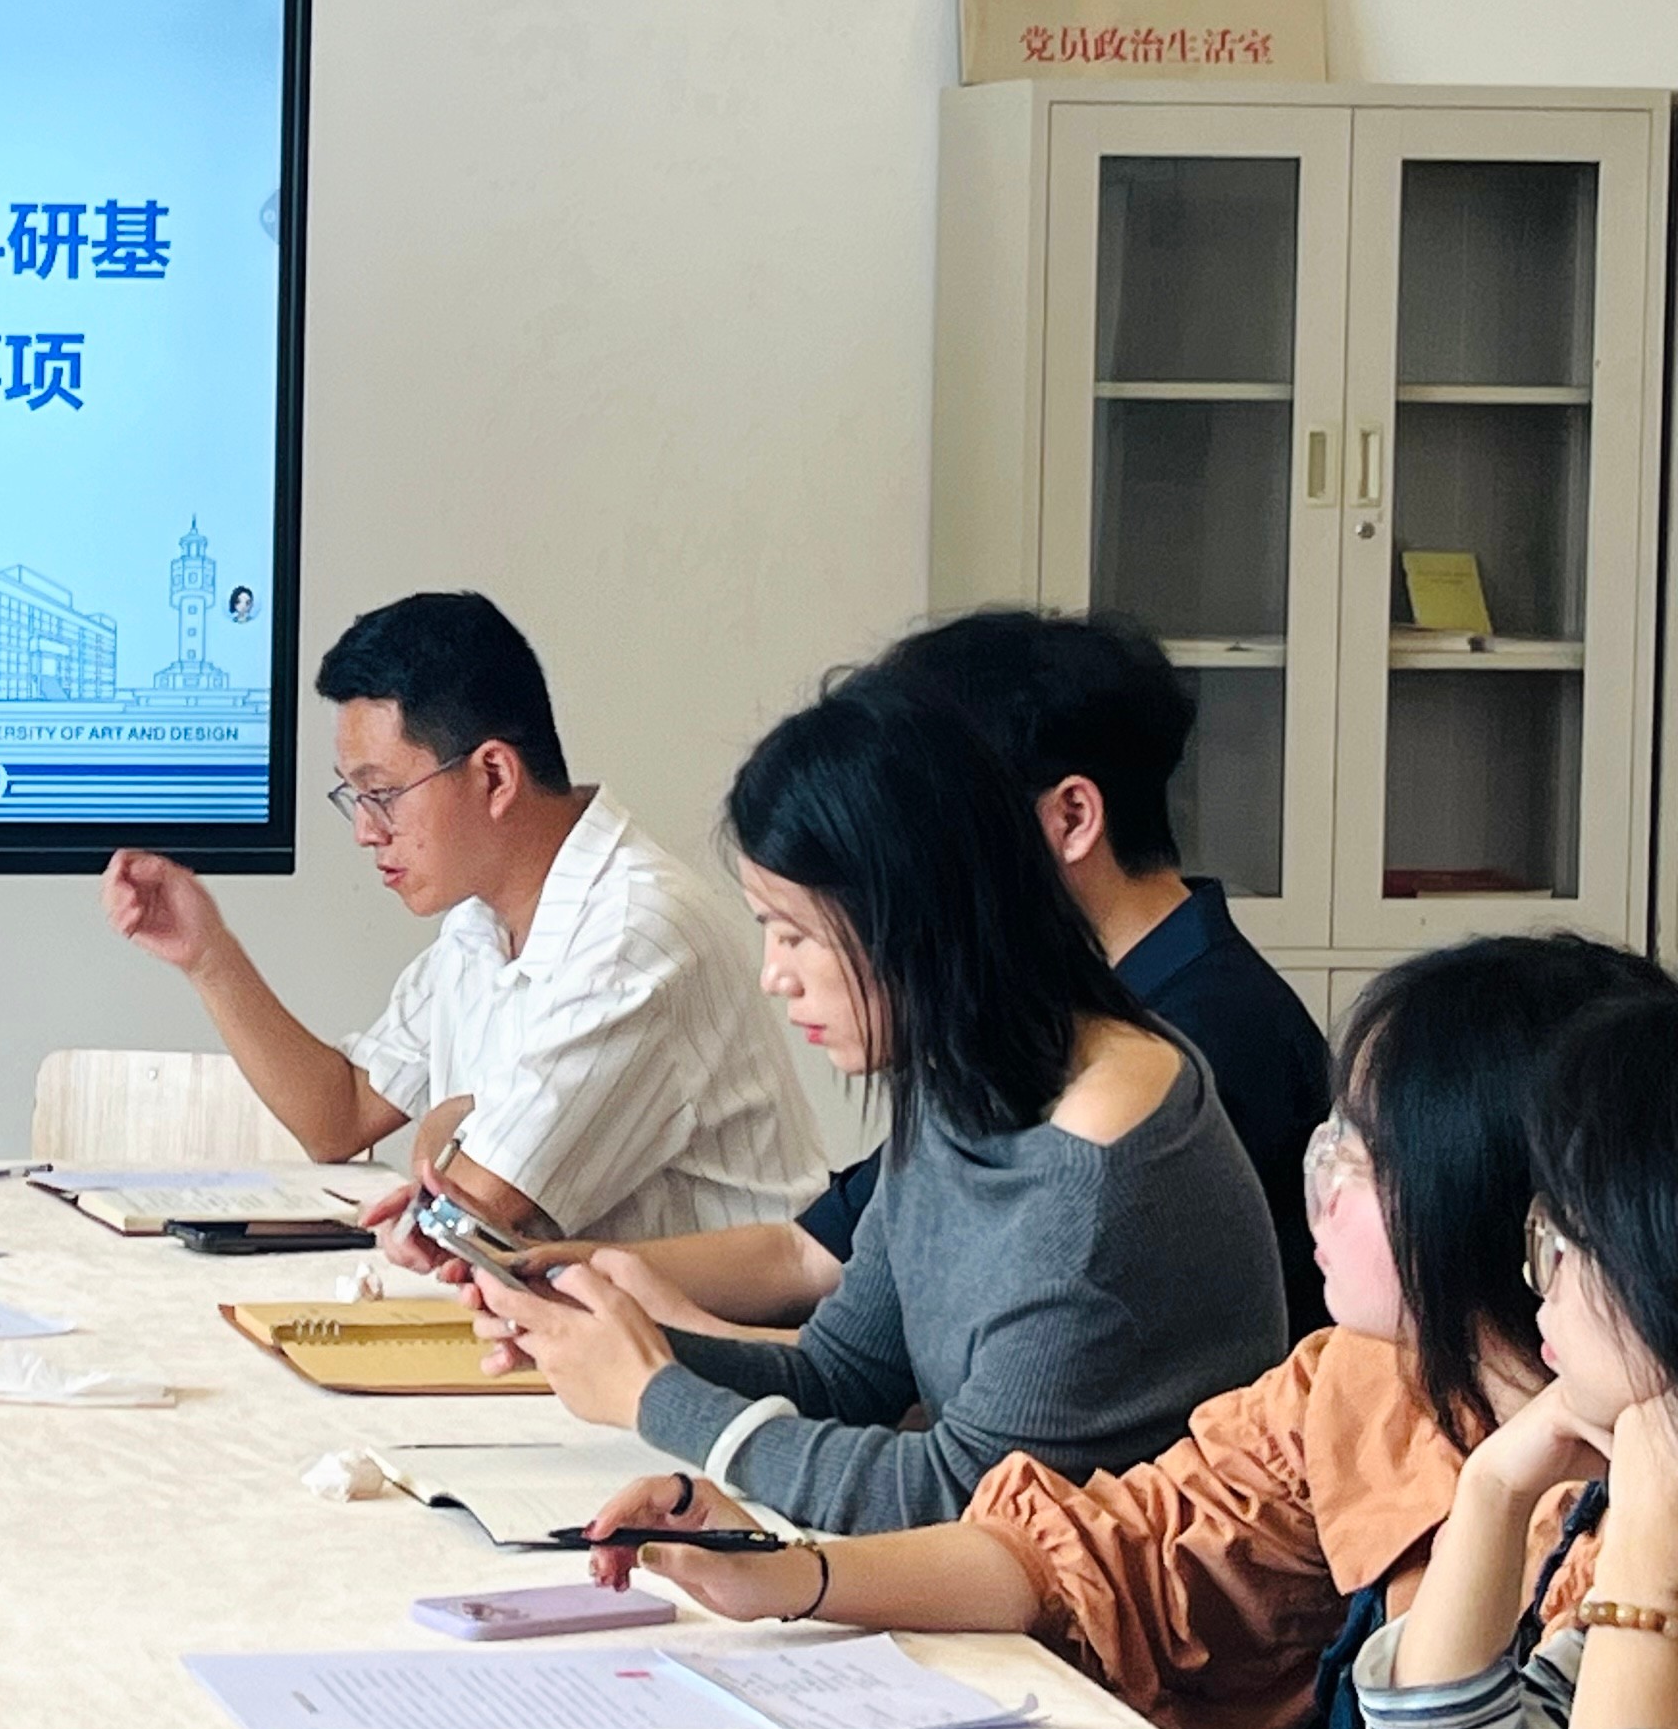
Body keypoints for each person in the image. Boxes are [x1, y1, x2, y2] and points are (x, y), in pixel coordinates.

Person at [583, 934, 1654, 1729]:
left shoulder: (1640, 1492)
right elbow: (1109, 1553)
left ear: (1477, 1197)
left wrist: (671, 1400)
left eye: (1363, 1154)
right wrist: (792, 1574)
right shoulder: (1361, 1379)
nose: (1319, 1179)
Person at [473, 670, 1289, 1532]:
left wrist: (653, 1394)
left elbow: (961, 1498)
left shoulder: (1100, 1158)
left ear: (915, 917)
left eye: (795, 933)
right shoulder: (965, 1079)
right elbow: (841, 1377)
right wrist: (605, 1338)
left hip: (1100, 1616)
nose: (774, 975)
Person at [594, 607, 1333, 1334]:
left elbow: (951, 1380)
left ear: (1071, 818)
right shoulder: (1023, 1024)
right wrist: (578, 1276)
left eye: (926, 809)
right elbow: (817, 1253)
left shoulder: (1191, 1050)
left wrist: (651, 1351)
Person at [98, 590, 818, 1247]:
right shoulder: (481, 923)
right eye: (354, 797)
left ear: (495, 775)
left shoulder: (633, 934)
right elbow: (339, 1117)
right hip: (571, 1323)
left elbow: (464, 1211)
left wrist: (440, 1138)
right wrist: (208, 956)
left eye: (382, 794)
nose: (366, 831)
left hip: (721, 1340)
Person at [1354, 984, 1678, 1729]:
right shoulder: (1619, 1509)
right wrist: (1494, 1490)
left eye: (1566, 1235)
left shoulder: (1650, 1546)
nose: (1542, 1279)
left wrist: (1649, 1558)